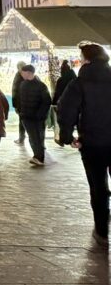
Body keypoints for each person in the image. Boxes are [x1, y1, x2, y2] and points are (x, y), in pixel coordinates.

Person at [57, 43, 111, 246]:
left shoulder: (80, 83)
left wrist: (66, 135)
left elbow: (66, 109)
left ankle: (102, 230)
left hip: (93, 143)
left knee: (98, 186)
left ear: (86, 59)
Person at [17, 65, 52, 166]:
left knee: (37, 137)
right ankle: (37, 156)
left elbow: (47, 101)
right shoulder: (22, 84)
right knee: (32, 137)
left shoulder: (41, 86)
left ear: (29, 72)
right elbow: (20, 99)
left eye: (23, 72)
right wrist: (21, 112)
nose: (21, 74)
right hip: (25, 117)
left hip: (37, 118)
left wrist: (40, 115)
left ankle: (39, 158)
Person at [11, 60, 27, 145]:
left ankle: (21, 138)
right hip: (23, 104)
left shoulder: (18, 76)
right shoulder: (28, 75)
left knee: (22, 122)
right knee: (23, 122)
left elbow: (15, 91)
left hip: (21, 104)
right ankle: (22, 138)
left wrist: (15, 105)